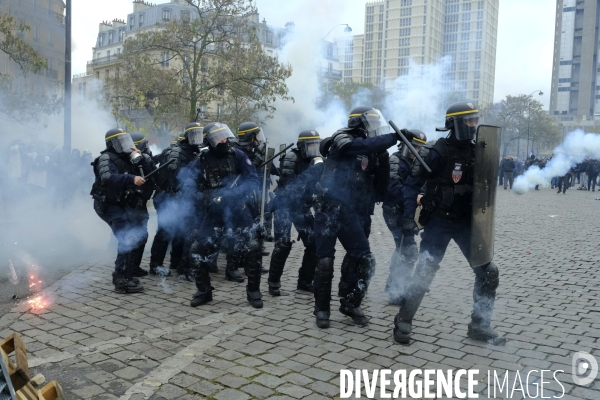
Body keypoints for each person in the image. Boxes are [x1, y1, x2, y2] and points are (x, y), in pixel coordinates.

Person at [397, 101, 505, 345]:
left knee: (488, 272)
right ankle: (403, 319)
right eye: (469, 120)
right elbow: (412, 185)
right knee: (425, 270)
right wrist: (407, 218)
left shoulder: (479, 150)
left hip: (467, 223)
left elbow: (486, 185)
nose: (474, 124)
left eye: (475, 120)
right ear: (456, 123)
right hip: (439, 223)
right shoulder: (437, 151)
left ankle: (479, 326)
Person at [312, 106, 401, 329]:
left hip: (349, 211)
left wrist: (382, 160)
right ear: (359, 123)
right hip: (327, 208)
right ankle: (322, 309)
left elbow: (379, 186)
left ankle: (351, 302)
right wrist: (391, 138)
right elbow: (356, 146)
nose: (374, 128)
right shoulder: (341, 138)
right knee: (324, 261)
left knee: (365, 258)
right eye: (371, 123)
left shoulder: (372, 150)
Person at [188, 122, 263, 308]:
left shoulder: (237, 155)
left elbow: (253, 179)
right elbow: (188, 185)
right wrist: (205, 197)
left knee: (253, 246)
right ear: (209, 141)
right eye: (218, 137)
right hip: (214, 212)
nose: (224, 140)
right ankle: (204, 291)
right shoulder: (201, 160)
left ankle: (254, 291)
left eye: (224, 135)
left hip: (238, 208)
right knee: (198, 249)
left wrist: (235, 194)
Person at [90, 128, 153, 293]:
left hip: (123, 204)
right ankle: (120, 280)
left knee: (134, 235)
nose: (126, 145)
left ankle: (127, 273)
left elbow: (149, 174)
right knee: (127, 237)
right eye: (122, 142)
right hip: (108, 205)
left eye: (127, 141)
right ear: (112, 143)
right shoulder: (105, 158)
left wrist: (140, 160)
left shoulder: (129, 158)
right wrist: (131, 178)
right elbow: (108, 178)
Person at [268, 130, 323, 296]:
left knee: (314, 243)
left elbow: (315, 186)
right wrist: (313, 171)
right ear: (302, 146)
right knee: (283, 244)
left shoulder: (314, 161)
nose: (314, 149)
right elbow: (289, 187)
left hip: (302, 207)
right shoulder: (292, 158)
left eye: (316, 145)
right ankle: (273, 284)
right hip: (284, 205)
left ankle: (305, 281)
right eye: (310, 145)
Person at [382, 129, 427, 305]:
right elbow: (393, 187)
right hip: (395, 211)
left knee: (402, 249)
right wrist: (413, 195)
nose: (417, 150)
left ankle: (394, 285)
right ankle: (396, 292)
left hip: (409, 212)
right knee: (408, 250)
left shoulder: (419, 162)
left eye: (419, 147)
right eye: (414, 146)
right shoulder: (395, 161)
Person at [166, 124, 203, 279]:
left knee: (185, 233)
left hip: (194, 197)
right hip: (183, 197)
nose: (198, 138)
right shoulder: (179, 152)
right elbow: (177, 176)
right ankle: (183, 267)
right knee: (186, 233)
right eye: (194, 135)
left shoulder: (198, 152)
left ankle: (179, 264)